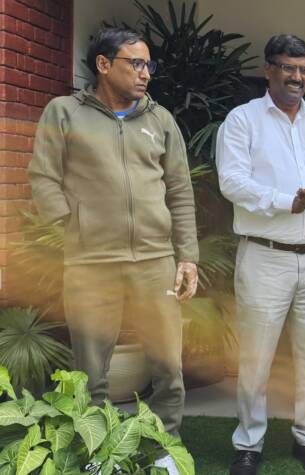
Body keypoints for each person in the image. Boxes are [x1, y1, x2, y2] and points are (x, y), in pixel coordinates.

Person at [27, 27, 198, 472]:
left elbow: (180, 191)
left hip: (155, 262)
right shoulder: (64, 112)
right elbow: (43, 177)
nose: (145, 73)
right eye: (135, 63)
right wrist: (73, 224)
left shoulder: (161, 120)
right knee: (90, 370)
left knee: (168, 366)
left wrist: (187, 256)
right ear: (104, 65)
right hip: (91, 263)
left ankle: (164, 449)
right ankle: (95, 452)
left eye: (148, 64)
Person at [216, 34, 305, 475]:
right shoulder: (242, 120)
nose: (298, 77)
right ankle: (249, 443)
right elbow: (232, 181)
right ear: (269, 69)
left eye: (304, 69)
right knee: (256, 357)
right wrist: (286, 201)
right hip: (265, 257)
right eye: (289, 68)